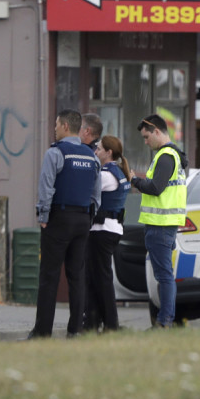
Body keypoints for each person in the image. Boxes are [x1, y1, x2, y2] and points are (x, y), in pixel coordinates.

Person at [28, 109, 101, 339]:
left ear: (66, 126)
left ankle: (42, 332)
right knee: (76, 277)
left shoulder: (56, 153)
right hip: (82, 221)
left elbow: (46, 187)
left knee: (49, 276)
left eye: (57, 125)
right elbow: (96, 194)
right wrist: (88, 217)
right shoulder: (92, 157)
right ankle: (75, 330)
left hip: (59, 219)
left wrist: (43, 216)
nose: (55, 129)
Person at [129, 114, 188, 327]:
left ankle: (164, 321)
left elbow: (155, 188)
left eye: (146, 137)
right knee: (165, 275)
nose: (146, 142)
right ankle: (165, 320)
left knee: (164, 276)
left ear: (156, 131)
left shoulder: (165, 156)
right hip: (165, 224)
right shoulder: (173, 155)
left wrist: (134, 180)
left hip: (160, 225)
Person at [84, 135, 131, 332]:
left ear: (109, 153)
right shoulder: (119, 172)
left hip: (101, 231)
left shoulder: (105, 175)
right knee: (97, 277)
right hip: (112, 229)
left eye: (99, 149)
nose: (96, 152)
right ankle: (95, 322)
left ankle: (110, 324)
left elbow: (85, 191)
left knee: (100, 278)